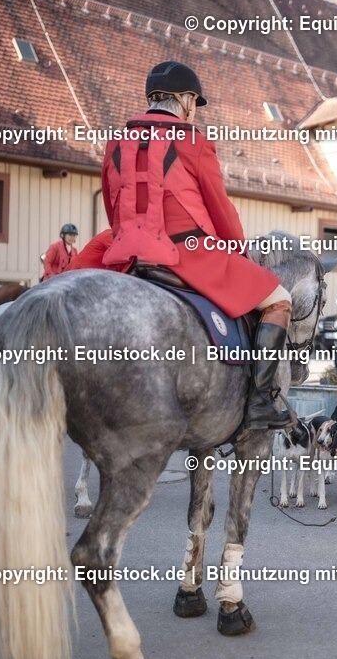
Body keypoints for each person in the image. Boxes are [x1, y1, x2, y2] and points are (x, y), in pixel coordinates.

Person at [100, 61, 293, 429]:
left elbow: (113, 210)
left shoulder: (115, 143)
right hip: (188, 255)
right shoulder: (195, 142)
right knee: (280, 298)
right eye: (193, 102)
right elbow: (221, 210)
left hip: (126, 255)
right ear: (186, 100)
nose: (193, 109)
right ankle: (260, 403)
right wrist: (238, 252)